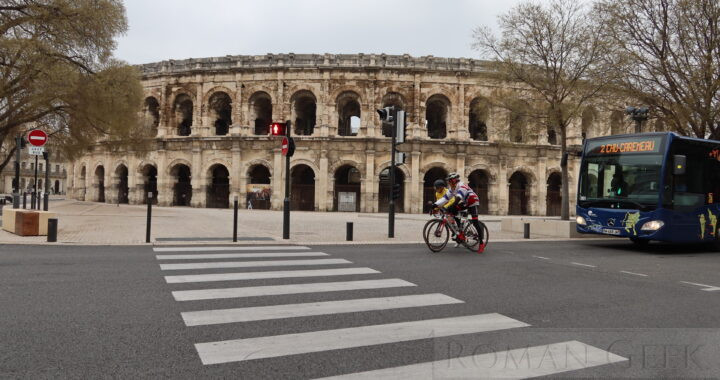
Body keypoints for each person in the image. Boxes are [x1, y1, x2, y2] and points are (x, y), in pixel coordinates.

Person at [433, 172, 486, 253]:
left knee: (475, 222)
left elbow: (459, 197)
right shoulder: (452, 189)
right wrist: (435, 205)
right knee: (451, 211)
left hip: (473, 202)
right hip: (465, 202)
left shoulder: (462, 186)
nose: (448, 183)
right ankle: (459, 231)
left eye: (449, 181)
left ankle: (481, 243)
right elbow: (445, 198)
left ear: (454, 181)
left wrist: (452, 205)